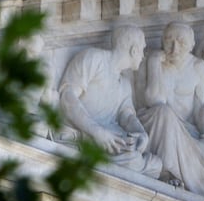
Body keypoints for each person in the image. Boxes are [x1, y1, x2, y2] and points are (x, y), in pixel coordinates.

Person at [58, 25, 161, 176]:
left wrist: (141, 133)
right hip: (85, 133)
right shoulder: (93, 58)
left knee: (156, 165)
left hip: (112, 139)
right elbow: (68, 97)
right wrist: (97, 132)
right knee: (135, 162)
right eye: (143, 50)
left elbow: (126, 116)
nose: (143, 56)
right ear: (134, 50)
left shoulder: (125, 84)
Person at [137, 21, 204, 197]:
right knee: (164, 113)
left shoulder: (198, 67)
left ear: (192, 45)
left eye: (181, 43)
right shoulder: (150, 62)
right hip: (156, 124)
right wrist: (153, 63)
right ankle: (166, 172)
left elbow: (201, 106)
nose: (174, 48)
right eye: (169, 41)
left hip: (187, 132)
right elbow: (153, 99)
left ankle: (184, 174)